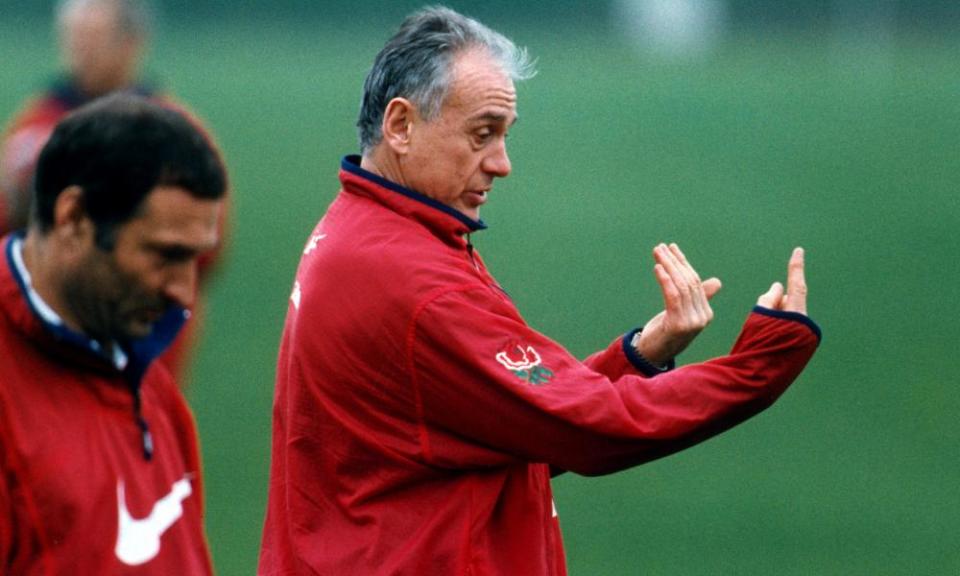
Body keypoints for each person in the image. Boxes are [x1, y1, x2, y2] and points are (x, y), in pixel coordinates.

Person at [258, 6, 821, 576]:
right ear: (401, 126)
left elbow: (512, 420)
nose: (501, 164)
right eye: (483, 134)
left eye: (503, 135)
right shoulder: (415, 282)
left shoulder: (363, 228)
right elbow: (592, 430)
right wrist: (757, 369)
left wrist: (641, 356)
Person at [0, 94, 226, 574]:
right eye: (166, 255)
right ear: (74, 218)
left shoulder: (149, 379)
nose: (185, 293)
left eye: (196, 259)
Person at [0, 0, 227, 382]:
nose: (79, 52)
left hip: (143, 356)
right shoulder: (33, 127)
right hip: (42, 358)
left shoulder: (177, 136)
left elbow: (208, 246)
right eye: (74, 38)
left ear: (131, 42)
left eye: (93, 38)